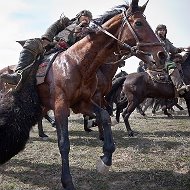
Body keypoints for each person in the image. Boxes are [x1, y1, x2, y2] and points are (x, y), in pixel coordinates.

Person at [0, 10, 93, 85]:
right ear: (79, 16)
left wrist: (78, 35)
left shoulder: (87, 34)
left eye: (89, 18)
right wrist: (46, 41)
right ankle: (18, 75)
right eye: (85, 16)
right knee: (32, 43)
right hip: (51, 45)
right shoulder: (65, 22)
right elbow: (52, 30)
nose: (87, 19)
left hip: (69, 56)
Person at [155, 24, 187, 95]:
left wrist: (180, 49)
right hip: (158, 60)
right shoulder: (154, 38)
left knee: (179, 59)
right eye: (160, 30)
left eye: (163, 30)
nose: (162, 31)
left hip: (167, 60)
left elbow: (173, 50)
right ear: (156, 31)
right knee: (171, 64)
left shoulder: (167, 41)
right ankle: (179, 87)